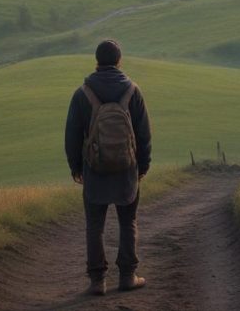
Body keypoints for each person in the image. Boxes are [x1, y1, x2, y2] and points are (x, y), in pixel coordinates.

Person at [65, 39, 152, 296]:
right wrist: (143, 167)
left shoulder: (82, 94)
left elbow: (72, 136)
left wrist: (76, 167)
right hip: (127, 170)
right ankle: (127, 276)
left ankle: (97, 281)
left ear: (96, 61)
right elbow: (144, 135)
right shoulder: (133, 92)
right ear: (119, 61)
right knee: (128, 222)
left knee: (94, 225)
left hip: (95, 170)